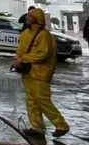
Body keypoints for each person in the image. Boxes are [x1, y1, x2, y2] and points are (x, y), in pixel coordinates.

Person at [11, 8, 69, 138]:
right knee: (31, 101)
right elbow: (20, 51)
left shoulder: (44, 35)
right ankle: (37, 128)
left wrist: (23, 59)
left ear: (36, 19)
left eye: (30, 16)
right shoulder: (25, 33)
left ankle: (61, 125)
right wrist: (16, 59)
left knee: (43, 100)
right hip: (28, 73)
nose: (27, 18)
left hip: (41, 74)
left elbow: (43, 54)